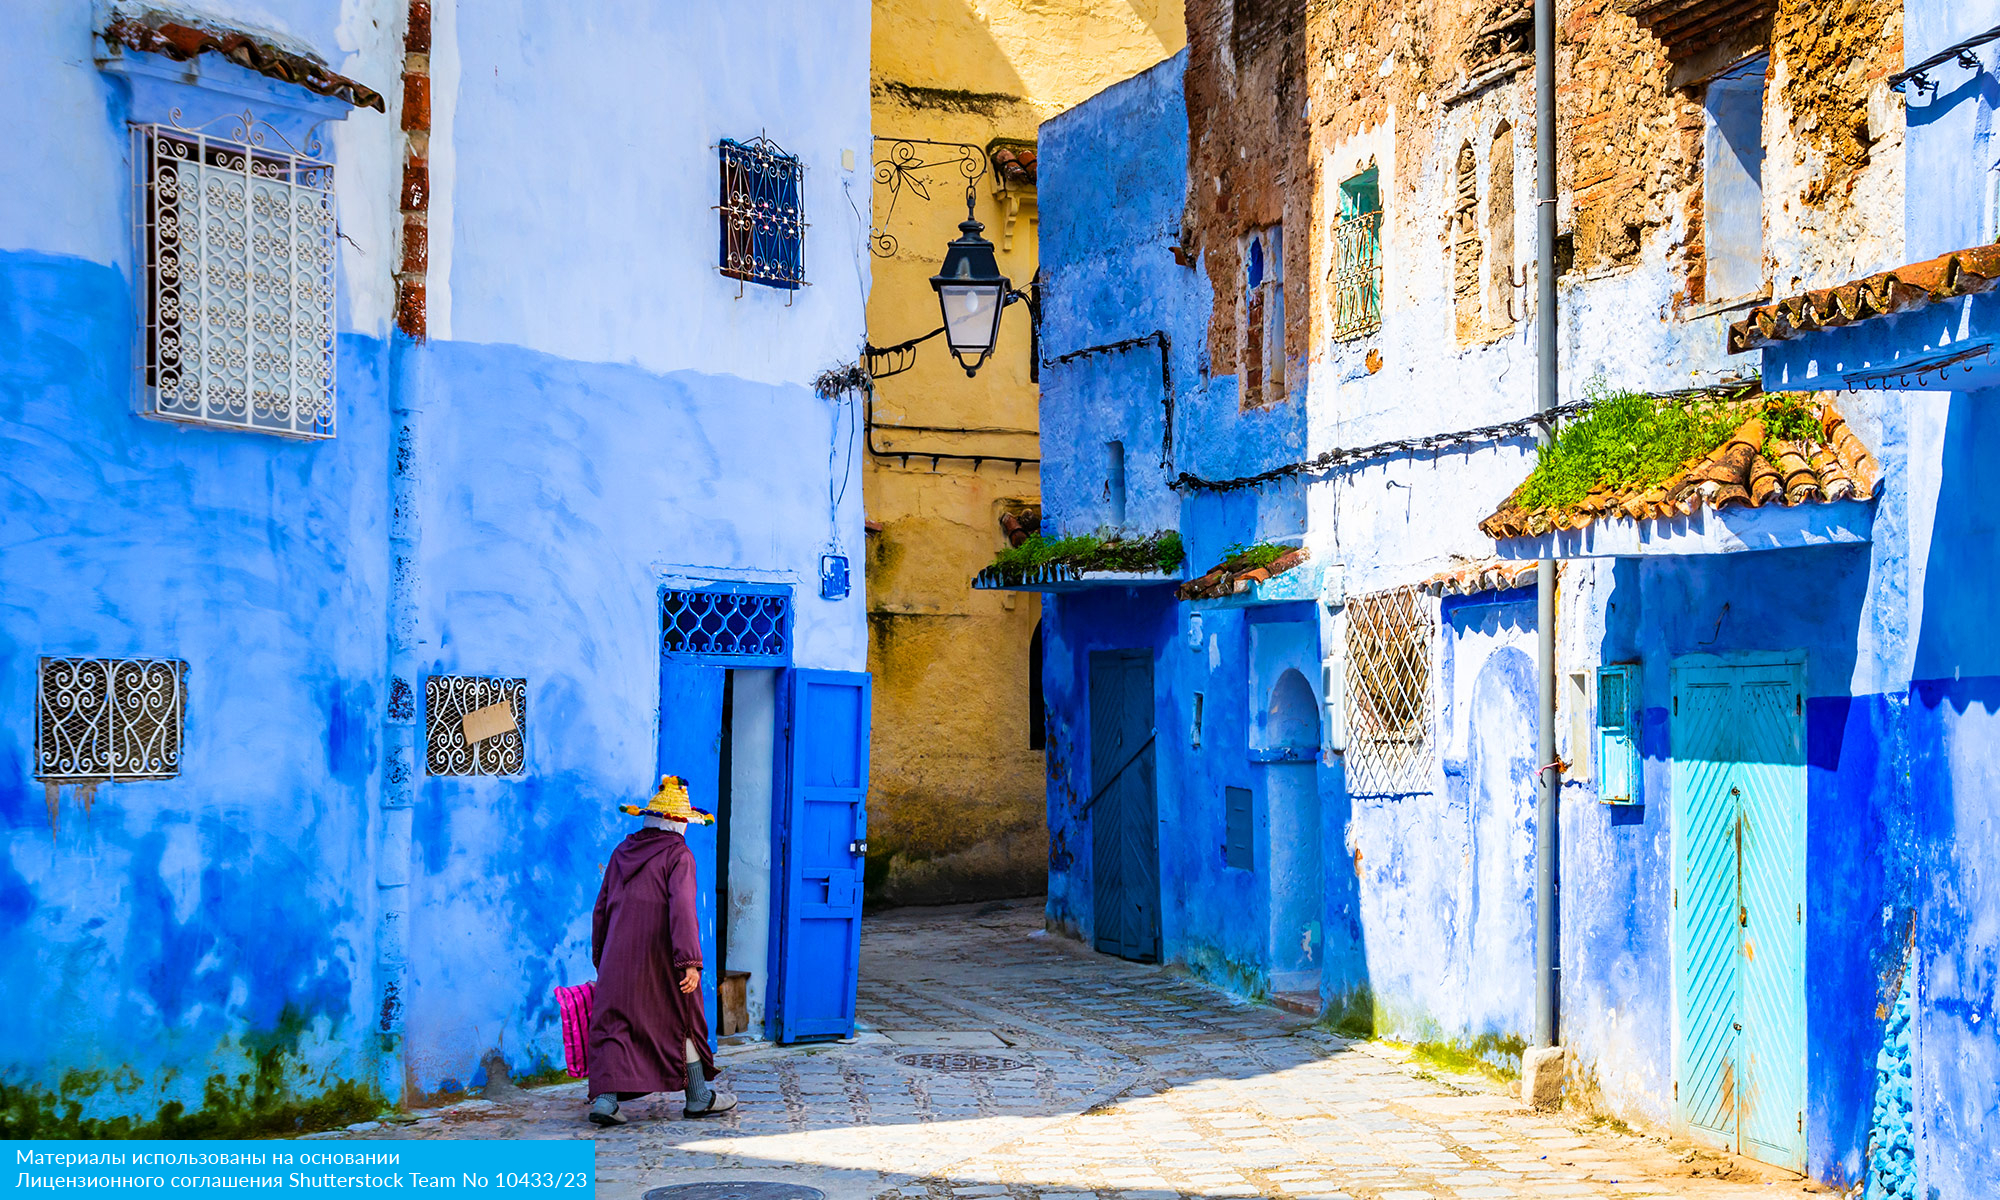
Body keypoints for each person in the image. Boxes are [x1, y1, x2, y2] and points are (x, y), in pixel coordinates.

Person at [585, 775, 737, 1126]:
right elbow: (682, 909)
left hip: (618, 956)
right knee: (682, 1017)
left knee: (615, 1022)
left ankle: (606, 1102)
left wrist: (601, 957)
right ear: (680, 822)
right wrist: (690, 962)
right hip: (661, 957)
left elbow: (602, 907)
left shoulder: (622, 851)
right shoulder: (678, 855)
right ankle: (698, 1096)